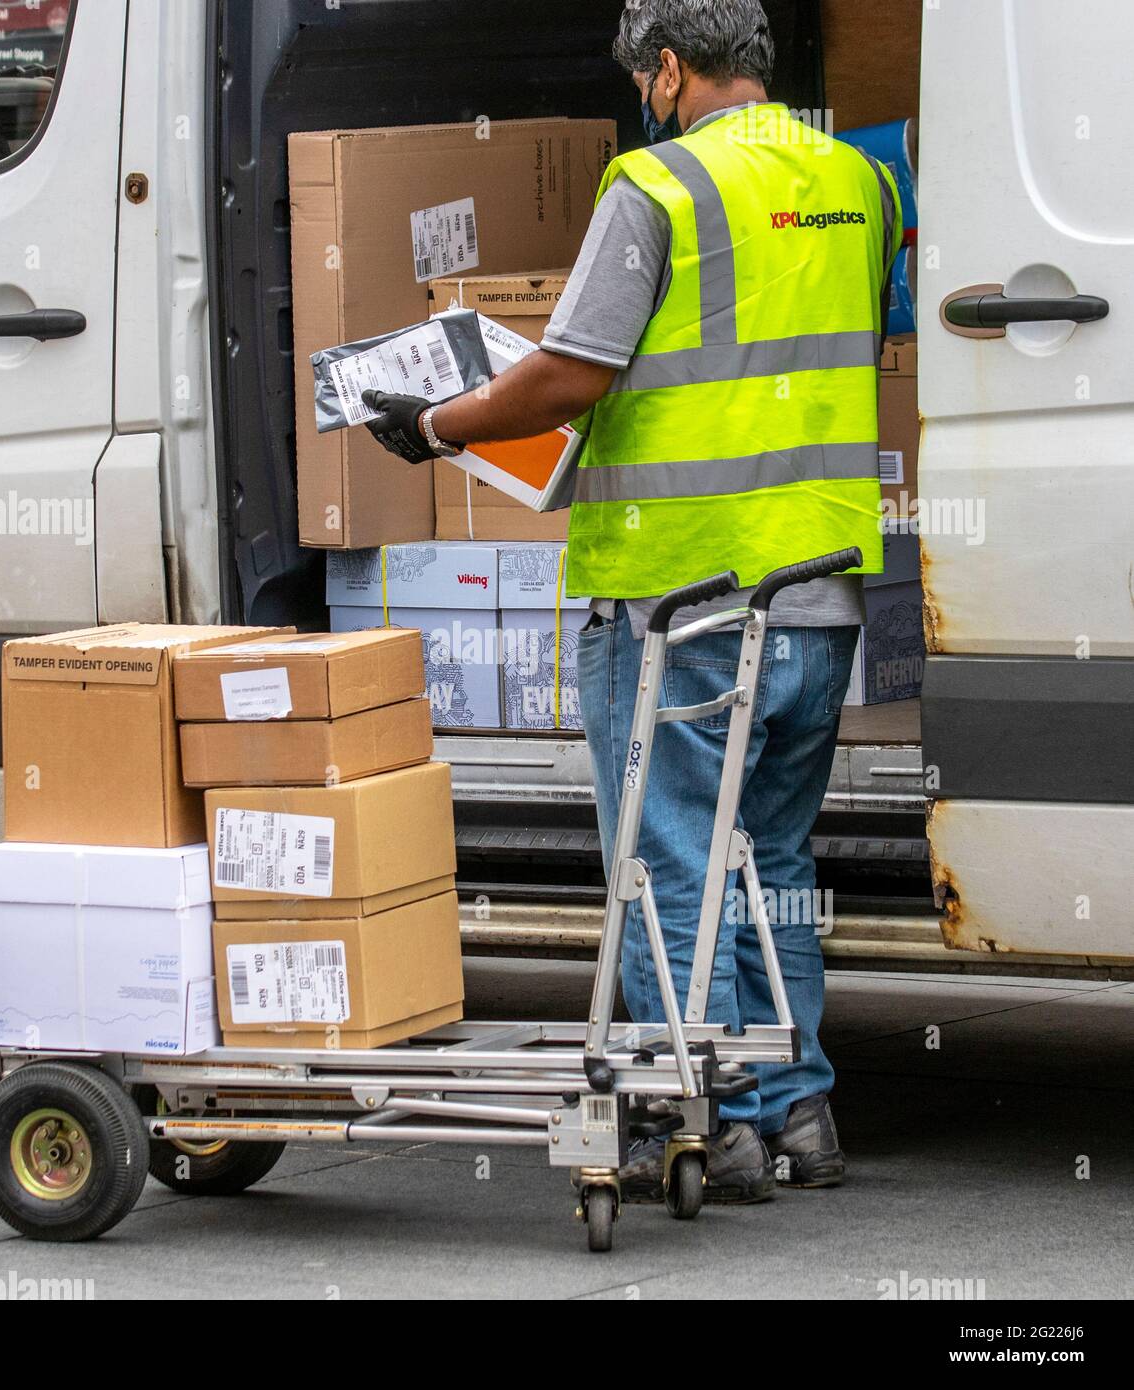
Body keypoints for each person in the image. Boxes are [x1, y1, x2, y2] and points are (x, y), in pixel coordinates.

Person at [361, 0, 902, 1205]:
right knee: (765, 857)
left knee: (666, 863)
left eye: (642, 76)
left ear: (666, 69)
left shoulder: (653, 185)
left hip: (681, 598)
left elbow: (572, 370)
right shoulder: (860, 181)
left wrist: (436, 421)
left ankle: (698, 1115)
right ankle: (795, 1104)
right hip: (814, 592)